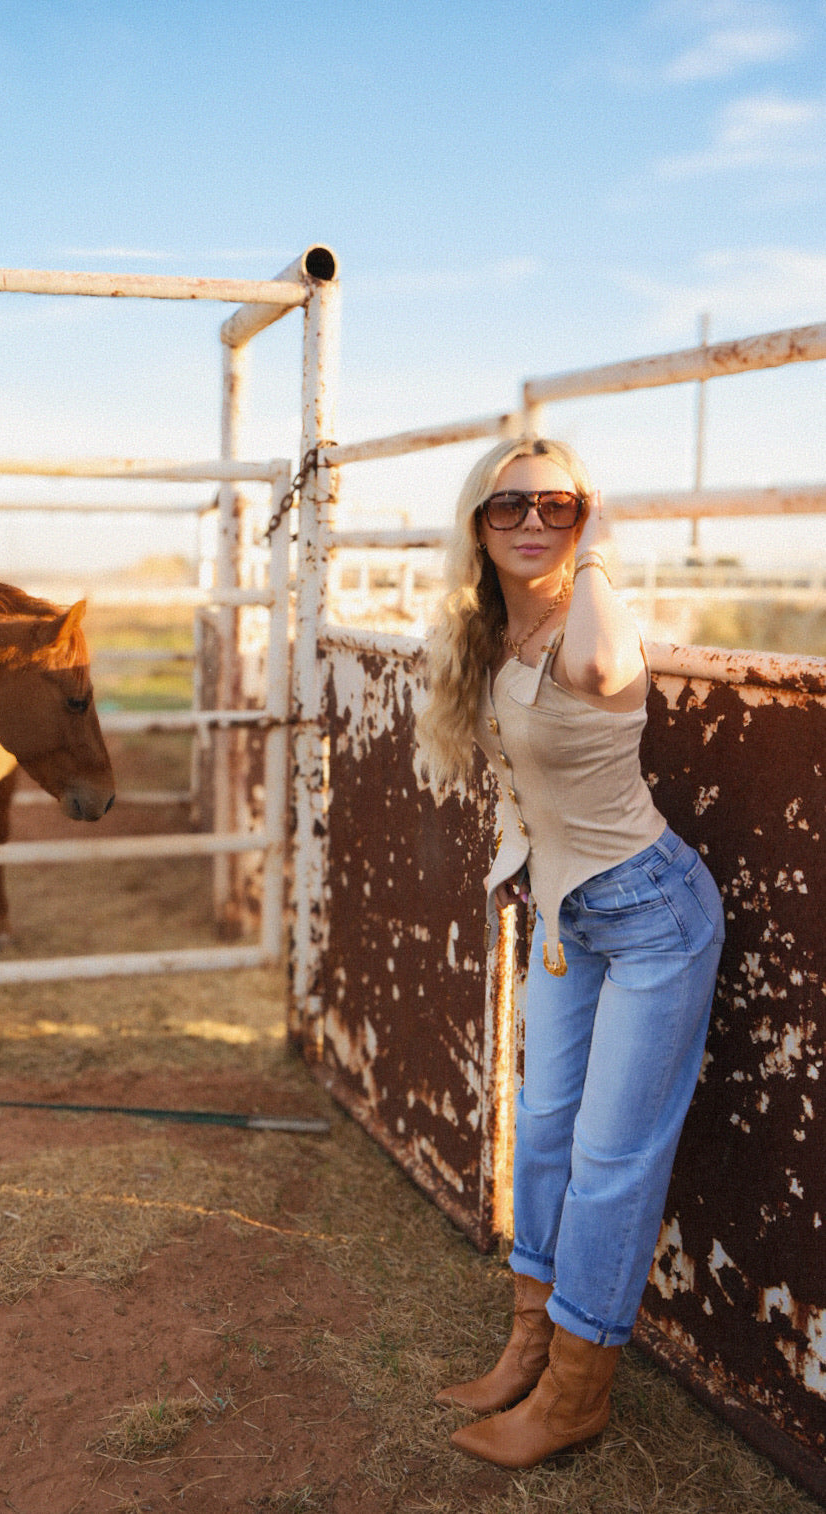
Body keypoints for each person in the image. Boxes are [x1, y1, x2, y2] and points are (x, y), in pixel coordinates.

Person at [415, 436, 724, 1468]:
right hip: (568, 920)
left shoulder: (594, 616)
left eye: (558, 504)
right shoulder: (489, 630)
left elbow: (595, 671)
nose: (533, 522)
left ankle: (576, 1392)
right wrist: (522, 861)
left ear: (584, 516)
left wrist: (595, 551)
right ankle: (528, 1347)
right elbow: (518, 772)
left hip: (653, 915)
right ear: (478, 523)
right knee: (543, 1129)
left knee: (608, 1158)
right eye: (509, 506)